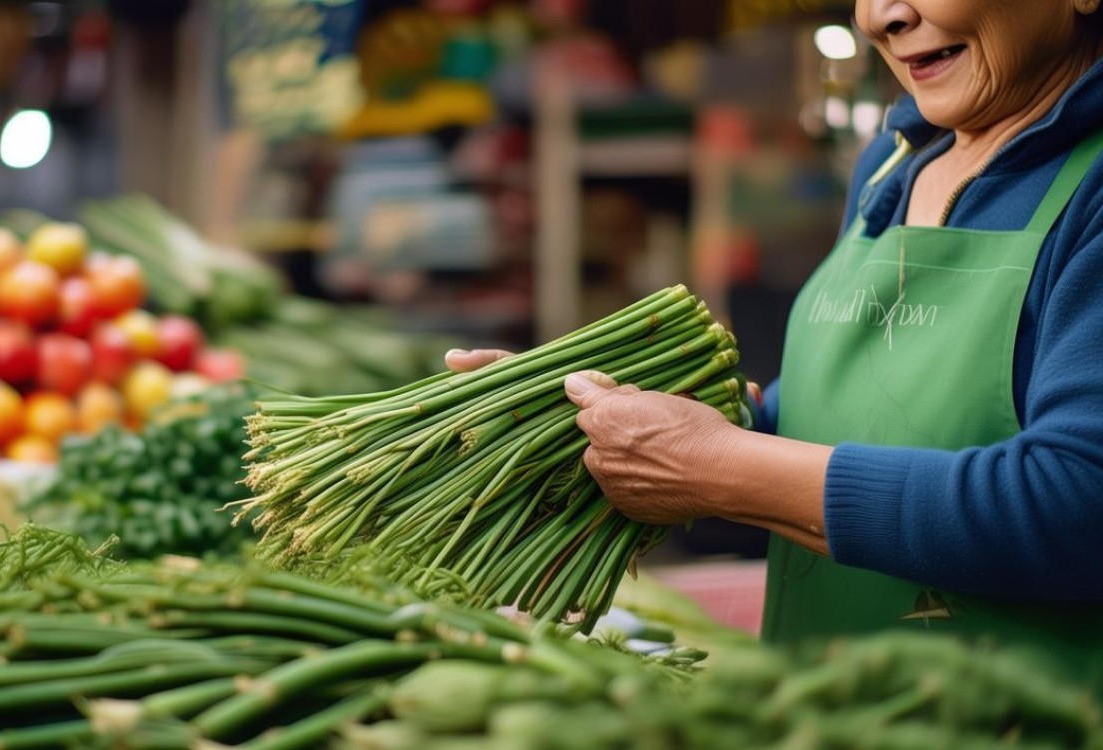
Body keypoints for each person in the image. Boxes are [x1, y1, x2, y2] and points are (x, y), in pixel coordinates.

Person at [448, 0, 1103, 689]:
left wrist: (720, 465)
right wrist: (584, 419)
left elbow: (1080, 505)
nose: (882, 15)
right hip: (825, 711)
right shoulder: (893, 163)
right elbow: (862, 407)